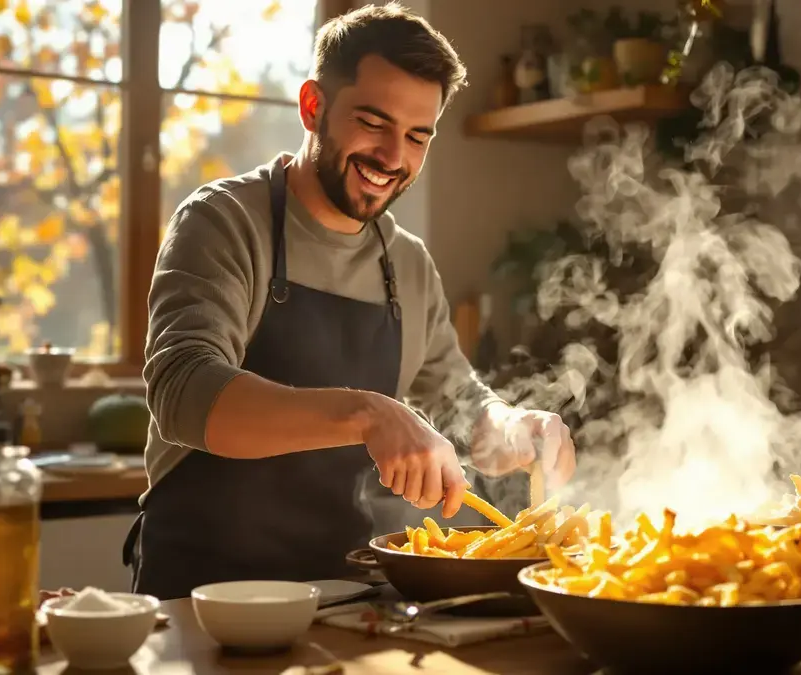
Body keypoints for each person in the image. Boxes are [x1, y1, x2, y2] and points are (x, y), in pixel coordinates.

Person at [123, 3, 577, 600]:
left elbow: (459, 401)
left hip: (345, 599)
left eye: (418, 136)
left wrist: (517, 427)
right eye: (374, 122)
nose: (393, 157)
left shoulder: (407, 263)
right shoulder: (223, 221)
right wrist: (370, 414)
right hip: (203, 600)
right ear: (314, 107)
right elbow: (183, 391)